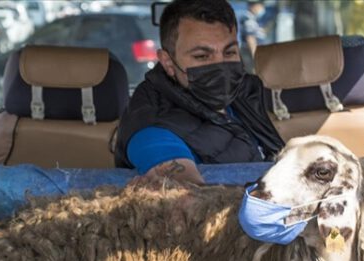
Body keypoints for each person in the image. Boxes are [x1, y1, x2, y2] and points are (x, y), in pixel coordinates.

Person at [114, 0, 284, 185]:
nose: (220, 66)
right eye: (202, 56)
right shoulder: (150, 124)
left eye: (229, 52)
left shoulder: (245, 93)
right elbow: (186, 191)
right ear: (168, 63)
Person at [240, 0, 267, 73]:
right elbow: (250, 38)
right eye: (260, 5)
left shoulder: (254, 19)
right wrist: (255, 57)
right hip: (249, 53)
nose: (262, 8)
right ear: (253, 6)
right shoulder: (248, 19)